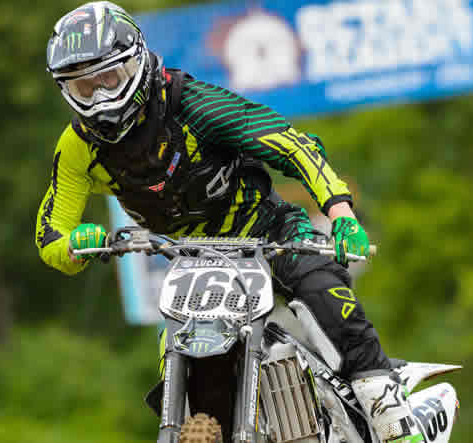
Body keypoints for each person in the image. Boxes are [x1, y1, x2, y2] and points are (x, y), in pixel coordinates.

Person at [35, 2, 423, 442]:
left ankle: (389, 412)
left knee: (325, 292)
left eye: (109, 78)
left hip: (269, 233)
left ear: (137, 62)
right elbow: (51, 236)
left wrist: (341, 215)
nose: (101, 97)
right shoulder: (77, 147)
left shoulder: (194, 106)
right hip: (192, 262)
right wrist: (73, 246)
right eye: (84, 87)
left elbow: (292, 145)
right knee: (183, 381)